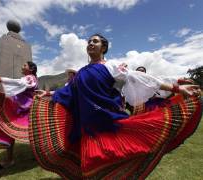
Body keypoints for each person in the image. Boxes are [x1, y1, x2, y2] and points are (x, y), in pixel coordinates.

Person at [29, 33, 202, 179]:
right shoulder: (81, 72)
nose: (90, 43)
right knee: (91, 172)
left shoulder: (112, 67)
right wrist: (49, 94)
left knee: (116, 162)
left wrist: (176, 87)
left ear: (103, 48)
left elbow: (140, 79)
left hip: (111, 124)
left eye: (95, 41)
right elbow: (69, 91)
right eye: (89, 41)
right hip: (89, 130)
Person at [0, 61, 38, 171]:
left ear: (31, 69)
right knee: (8, 131)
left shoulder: (31, 78)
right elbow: (18, 84)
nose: (22, 66)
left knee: (33, 133)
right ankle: (10, 159)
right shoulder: (27, 78)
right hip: (18, 109)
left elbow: (19, 83)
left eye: (24, 65)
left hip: (26, 111)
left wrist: (0, 79)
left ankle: (39, 155)